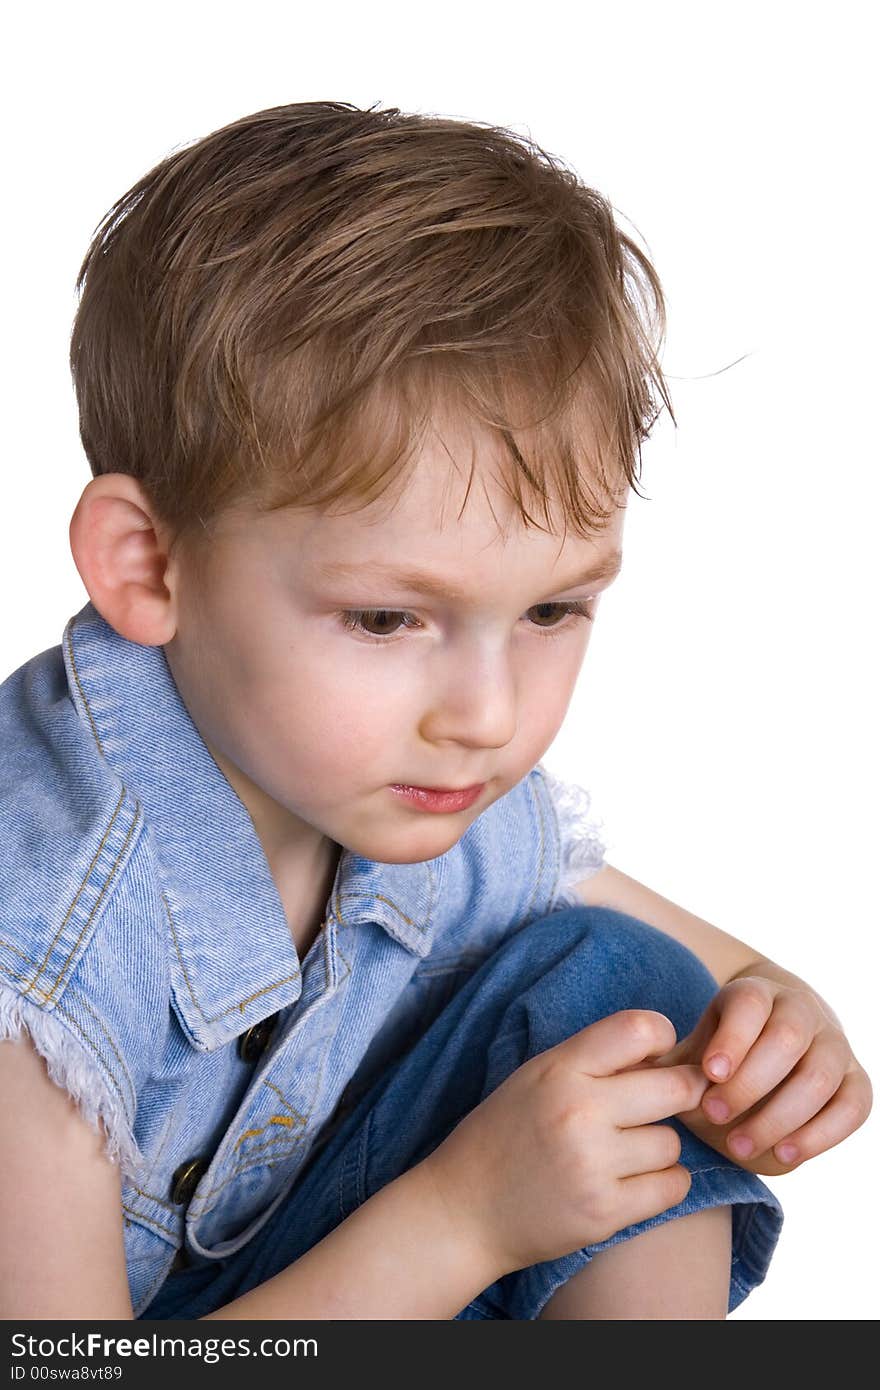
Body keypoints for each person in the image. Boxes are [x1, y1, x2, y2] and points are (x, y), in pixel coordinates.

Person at [0, 100, 870, 1322]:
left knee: (634, 992)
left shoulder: (374, 770)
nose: (487, 715)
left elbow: (645, 936)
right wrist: (464, 1216)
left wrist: (777, 1020)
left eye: (553, 611)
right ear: (148, 567)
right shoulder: (36, 947)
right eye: (385, 620)